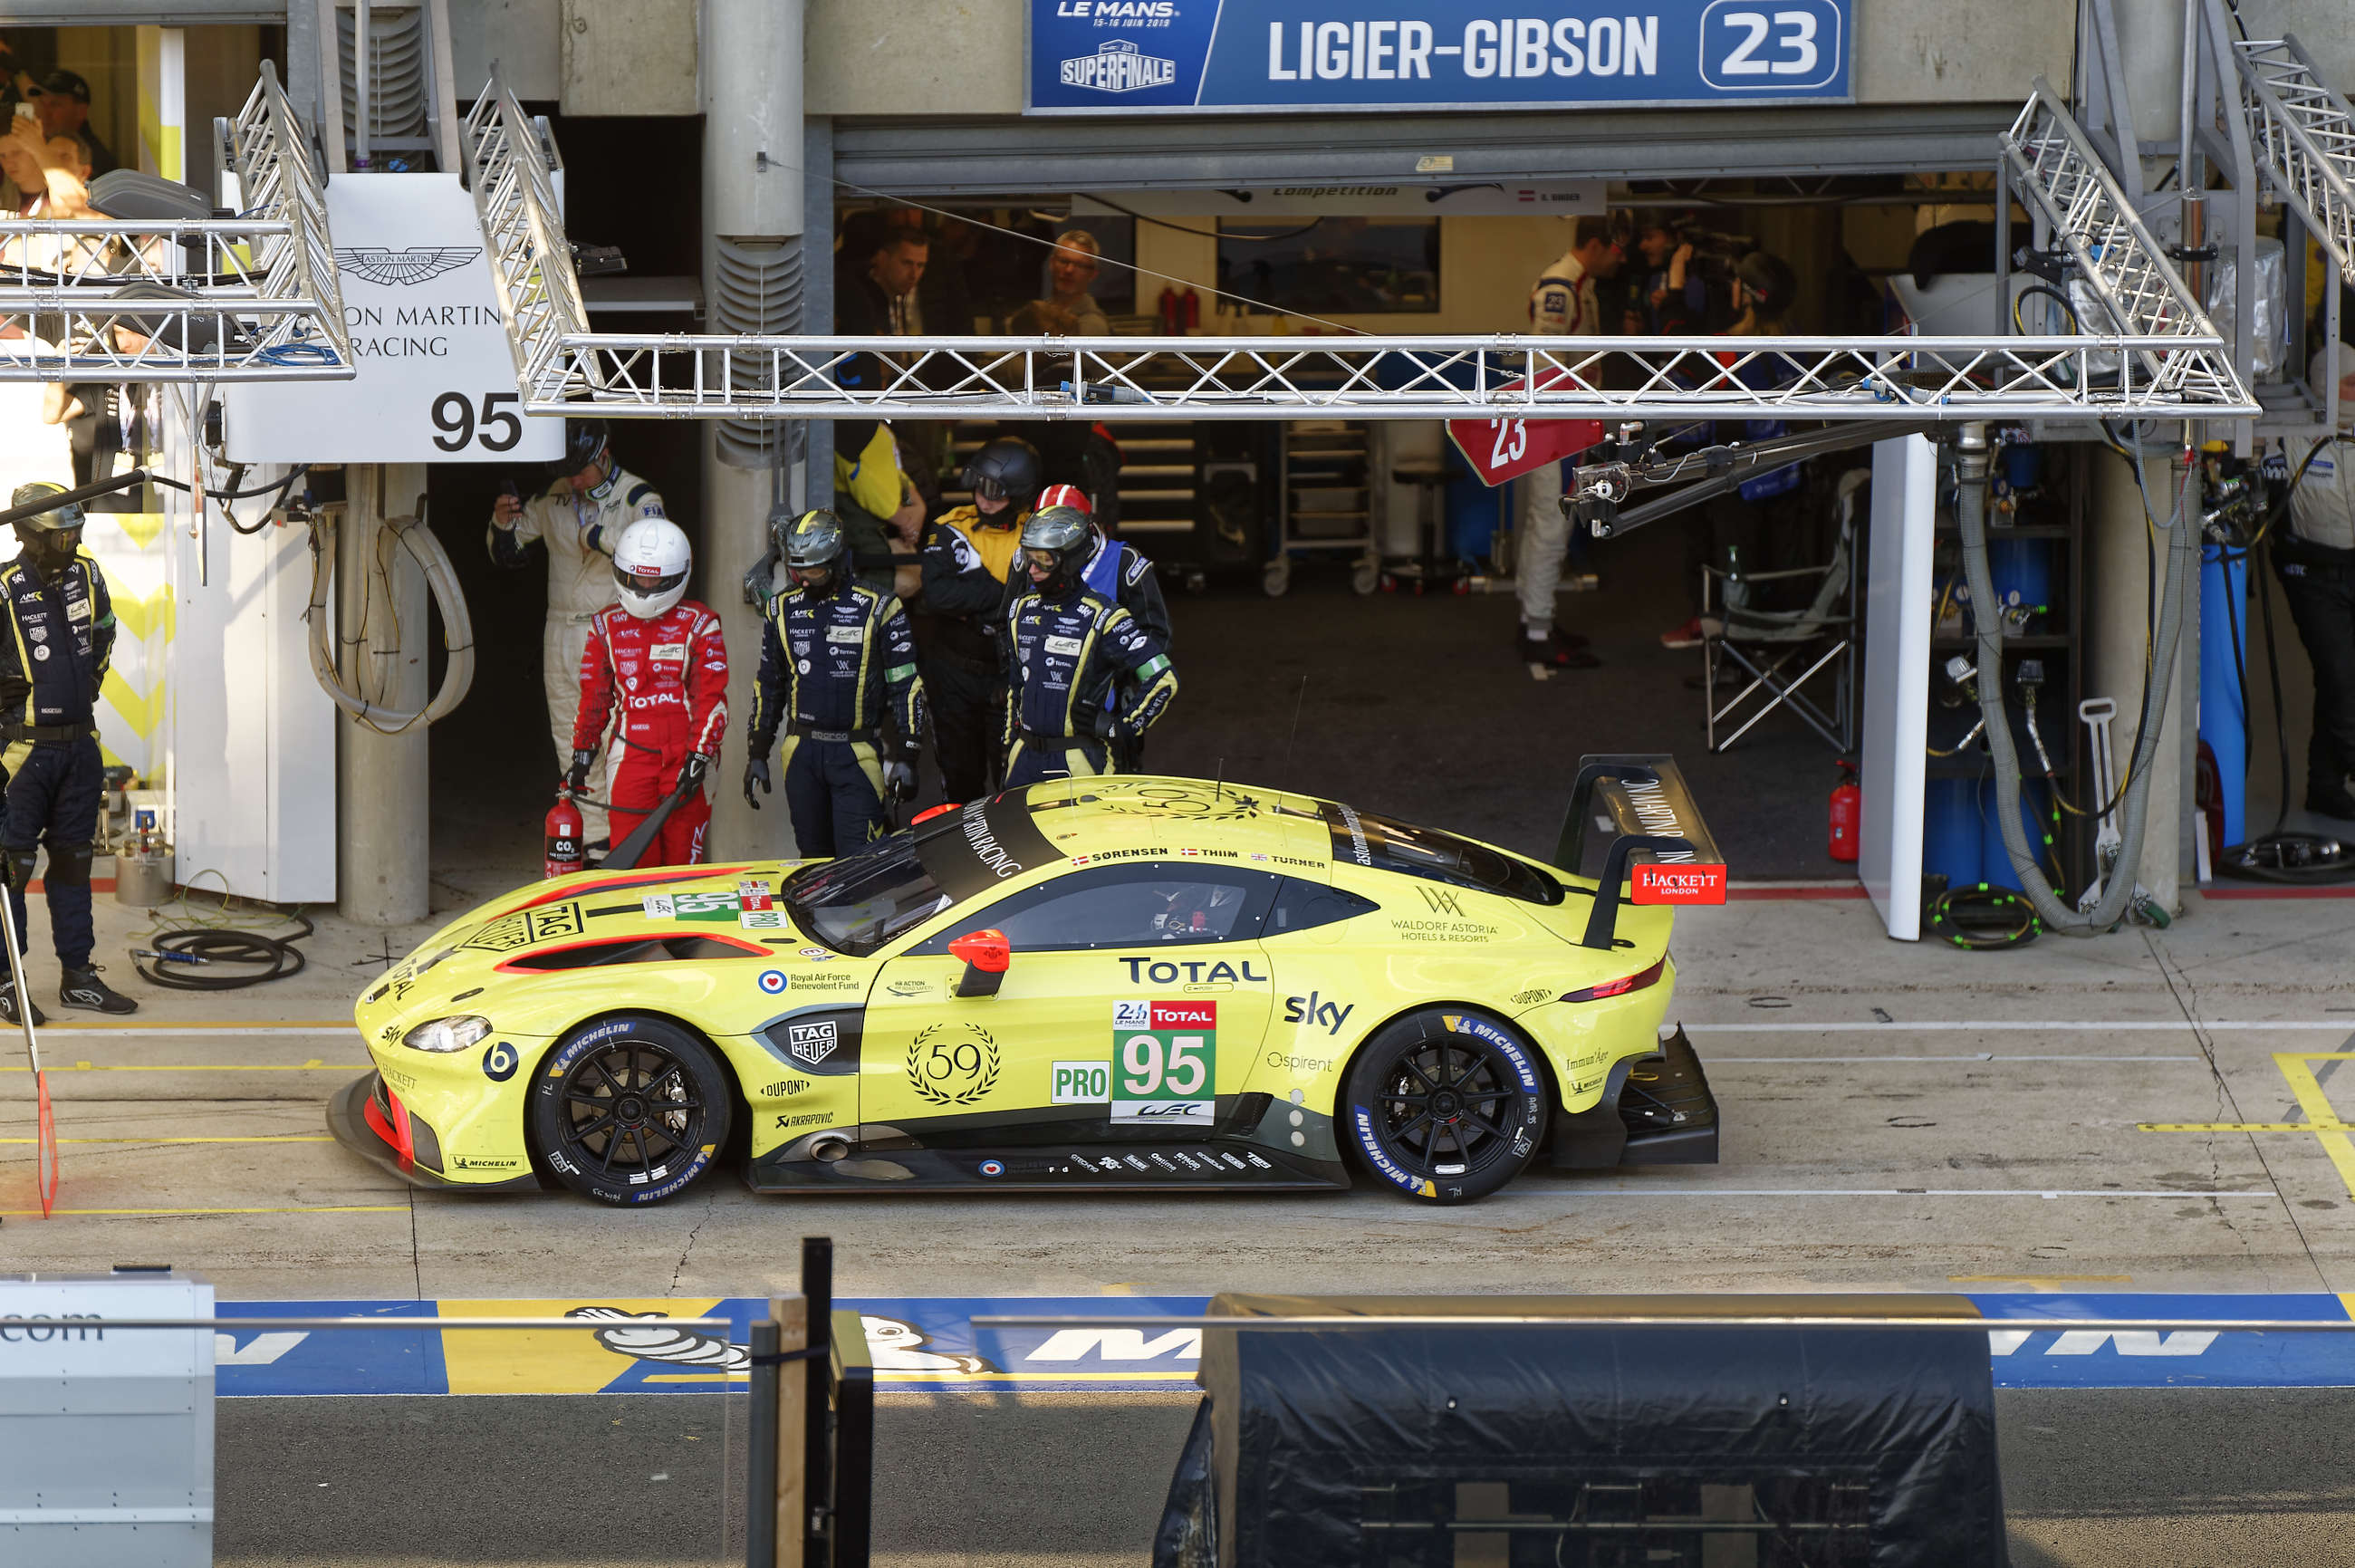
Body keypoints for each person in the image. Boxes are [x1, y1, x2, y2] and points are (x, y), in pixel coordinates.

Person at [488, 419, 664, 858]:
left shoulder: (639, 497)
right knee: (570, 739)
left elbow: (660, 559)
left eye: (580, 470)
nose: (573, 480)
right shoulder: (556, 495)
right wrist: (499, 520)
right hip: (560, 630)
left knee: (616, 741)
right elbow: (507, 553)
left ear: (604, 455)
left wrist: (603, 539)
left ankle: (625, 844)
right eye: (566, 471)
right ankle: (589, 844)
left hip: (616, 632)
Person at [0, 483, 134, 1021]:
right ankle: (8, 982)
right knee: (11, 869)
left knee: (75, 866)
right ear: (32, 535)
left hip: (81, 747)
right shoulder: (5, 587)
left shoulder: (87, 572)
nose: (74, 538)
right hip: (21, 757)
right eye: (63, 532)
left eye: (77, 528)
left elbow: (105, 630)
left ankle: (78, 977)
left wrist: (89, 685)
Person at [744, 511, 926, 857]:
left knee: (859, 864)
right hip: (801, 752)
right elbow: (769, 685)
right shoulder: (780, 609)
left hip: (856, 752)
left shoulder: (881, 607)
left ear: (838, 560)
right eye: (796, 572)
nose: (805, 582)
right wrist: (757, 752)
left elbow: (906, 685)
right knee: (812, 862)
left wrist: (908, 754)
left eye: (814, 571)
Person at [1662, 251, 1807, 651]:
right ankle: (1782, 647)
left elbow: (1677, 355)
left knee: (1733, 564)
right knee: (1782, 566)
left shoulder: (1727, 347)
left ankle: (1733, 649)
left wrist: (1676, 291)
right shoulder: (1798, 344)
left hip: (1734, 481)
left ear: (1746, 294)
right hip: (1785, 476)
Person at [568, 517, 726, 869]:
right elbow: (594, 698)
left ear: (677, 575)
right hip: (630, 758)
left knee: (683, 862)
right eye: (639, 577)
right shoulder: (605, 625)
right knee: (632, 864)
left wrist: (700, 755)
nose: (645, 586)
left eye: (655, 578)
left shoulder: (701, 623)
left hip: (687, 756)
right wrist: (582, 753)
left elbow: (711, 698)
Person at [1000, 506, 1178, 788]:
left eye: (1044, 559)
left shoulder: (1105, 617)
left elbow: (1163, 678)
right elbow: (1015, 686)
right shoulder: (1019, 610)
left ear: (1069, 560)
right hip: (1023, 759)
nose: (1031, 568)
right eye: (1028, 556)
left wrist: (1120, 728)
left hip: (1080, 762)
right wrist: (1009, 746)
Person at [1518, 214, 1622, 670]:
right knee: (1553, 524)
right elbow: (1545, 368)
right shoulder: (1561, 286)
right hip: (1554, 426)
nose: (1622, 258)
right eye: (1618, 248)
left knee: (1543, 522)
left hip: (1565, 424)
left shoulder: (1578, 284)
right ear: (1597, 244)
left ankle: (1534, 617)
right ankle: (1537, 627)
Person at [920, 436, 1040, 803]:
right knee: (959, 780)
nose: (985, 499)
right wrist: (1001, 596)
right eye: (980, 488)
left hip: (1010, 675)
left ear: (1019, 495)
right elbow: (937, 595)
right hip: (954, 673)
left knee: (1012, 779)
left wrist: (974, 595)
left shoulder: (1036, 533)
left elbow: (1042, 600)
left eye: (997, 492)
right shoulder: (948, 528)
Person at [1035, 481, 1168, 768]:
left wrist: (1122, 717)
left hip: (1104, 712)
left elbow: (1157, 637)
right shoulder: (1028, 561)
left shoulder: (1125, 563)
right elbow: (1008, 624)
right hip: (1043, 719)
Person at [2277, 340, 2355, 821]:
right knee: (2344, 679)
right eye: (2349, 384)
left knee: (2338, 679)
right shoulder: (2294, 432)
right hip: (2311, 573)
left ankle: (2325, 786)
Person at [1009, 230, 1111, 337]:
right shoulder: (1040, 313)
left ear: (1092, 274)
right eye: (1063, 261)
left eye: (1080, 265)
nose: (1069, 270)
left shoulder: (1093, 324)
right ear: (1052, 263)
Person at [30, 69, 112, 178]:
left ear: (80, 112)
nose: (44, 113)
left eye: (54, 104)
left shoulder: (96, 160)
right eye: (42, 103)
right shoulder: (36, 143)